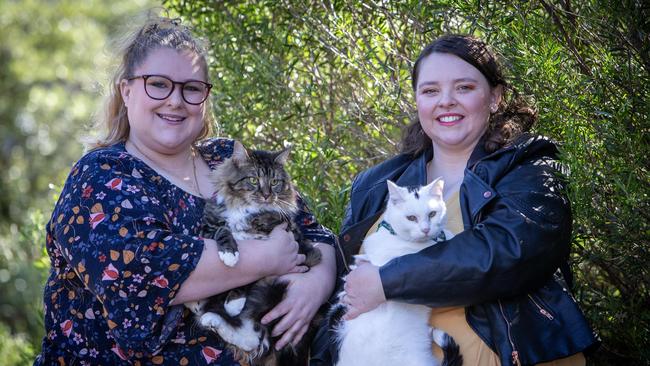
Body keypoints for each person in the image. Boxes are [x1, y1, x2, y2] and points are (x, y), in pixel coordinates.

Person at [34, 14, 337, 365]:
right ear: (127, 90)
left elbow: (314, 232)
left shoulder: (226, 158)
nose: (176, 100)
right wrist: (268, 258)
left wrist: (317, 282)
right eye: (159, 84)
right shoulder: (100, 175)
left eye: (191, 88)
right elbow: (141, 276)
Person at [310, 35, 599, 366]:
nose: (445, 101)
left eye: (463, 87)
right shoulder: (374, 186)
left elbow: (509, 251)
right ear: (418, 101)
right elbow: (345, 301)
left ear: (494, 97)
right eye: (430, 91)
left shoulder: (530, 164)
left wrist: (388, 282)